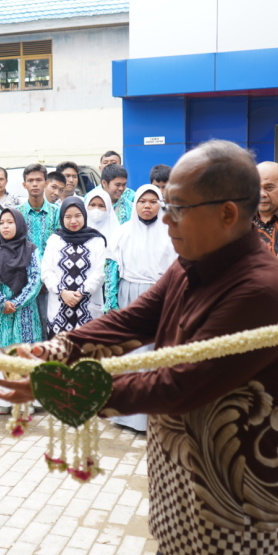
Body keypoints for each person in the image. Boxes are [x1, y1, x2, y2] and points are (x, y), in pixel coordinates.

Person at [0, 140, 278, 555]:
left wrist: (62, 388)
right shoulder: (193, 264)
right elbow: (135, 320)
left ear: (226, 214)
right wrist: (58, 350)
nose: (165, 219)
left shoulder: (260, 291)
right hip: (186, 484)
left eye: (178, 208)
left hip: (239, 502)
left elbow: (176, 384)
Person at [104, 184, 177, 433]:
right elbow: (111, 267)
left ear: (161, 204)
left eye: (153, 201)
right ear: (135, 205)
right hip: (129, 295)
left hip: (159, 296)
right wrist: (111, 302)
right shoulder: (123, 232)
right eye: (142, 201)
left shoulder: (170, 232)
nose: (147, 206)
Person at [0, 209, 43, 414]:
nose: (5, 226)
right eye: (2, 223)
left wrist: (16, 302)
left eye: (10, 222)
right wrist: (1, 302)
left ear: (19, 224)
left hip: (23, 312)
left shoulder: (31, 250)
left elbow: (35, 280)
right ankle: (1, 400)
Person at [40, 196, 107, 334]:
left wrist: (81, 292)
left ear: (84, 215)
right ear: (62, 218)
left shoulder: (97, 240)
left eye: (78, 216)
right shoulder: (54, 240)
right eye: (68, 217)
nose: (73, 221)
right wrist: (62, 292)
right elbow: (46, 271)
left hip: (88, 309)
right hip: (60, 309)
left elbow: (101, 272)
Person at [20, 164, 60, 336]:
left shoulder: (57, 213)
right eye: (30, 180)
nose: (34, 184)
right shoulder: (17, 214)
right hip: (23, 281)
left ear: (46, 183)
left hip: (51, 281)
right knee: (27, 328)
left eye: (38, 180)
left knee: (49, 323)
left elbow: (60, 247)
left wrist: (46, 277)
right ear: (24, 185)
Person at [84, 187, 121, 316]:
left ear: (109, 208)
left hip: (108, 290)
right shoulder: (77, 233)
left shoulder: (118, 234)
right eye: (92, 205)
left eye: (101, 206)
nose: (96, 210)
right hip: (80, 289)